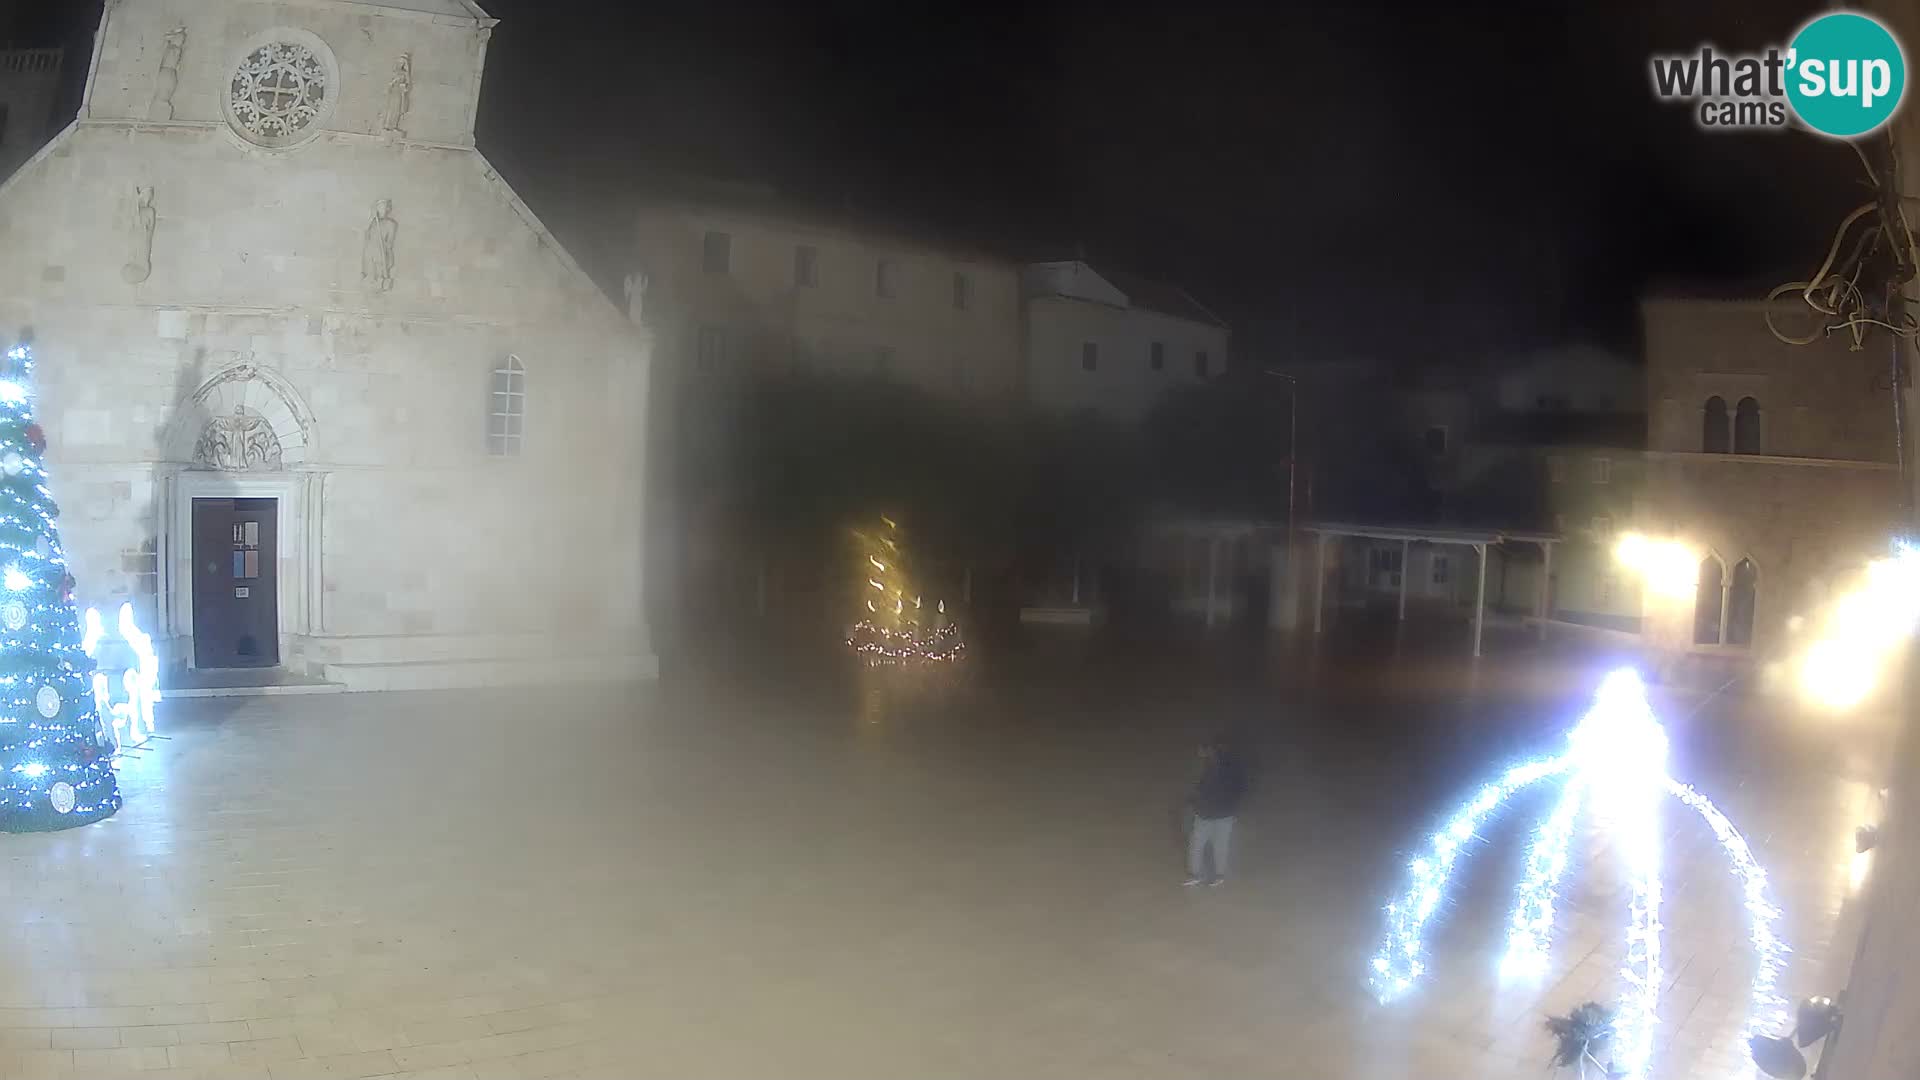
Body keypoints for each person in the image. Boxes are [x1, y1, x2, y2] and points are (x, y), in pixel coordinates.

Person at [1185, 737, 1247, 887]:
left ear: (1208, 751)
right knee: (1221, 846)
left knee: (1197, 845)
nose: (1198, 753)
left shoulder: (1207, 769)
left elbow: (1202, 791)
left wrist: (1194, 805)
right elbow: (1239, 790)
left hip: (1206, 814)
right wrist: (1235, 811)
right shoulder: (1233, 768)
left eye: (1201, 750)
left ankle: (1196, 875)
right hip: (1225, 814)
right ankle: (1219, 876)